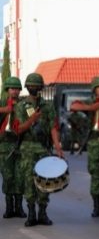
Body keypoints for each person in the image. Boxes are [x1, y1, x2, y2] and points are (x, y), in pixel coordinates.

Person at [14, 73, 63, 227]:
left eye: (36, 86)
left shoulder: (47, 106)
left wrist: (58, 147)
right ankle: (31, 214)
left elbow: (53, 128)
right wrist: (32, 119)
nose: (34, 88)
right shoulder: (21, 106)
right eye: (31, 86)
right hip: (27, 149)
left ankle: (42, 212)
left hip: (43, 149)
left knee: (44, 181)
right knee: (29, 181)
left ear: (41, 87)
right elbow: (18, 129)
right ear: (27, 87)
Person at [69, 76, 99, 217]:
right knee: (96, 175)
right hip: (94, 142)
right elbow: (73, 106)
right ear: (94, 90)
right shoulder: (90, 102)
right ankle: (96, 207)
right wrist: (91, 108)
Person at [0, 77, 25, 219]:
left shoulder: (25, 104)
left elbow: (32, 117)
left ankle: (19, 207)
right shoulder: (2, 102)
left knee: (20, 177)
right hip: (4, 145)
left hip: (20, 144)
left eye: (17, 89)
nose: (15, 91)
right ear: (7, 90)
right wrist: (5, 109)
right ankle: (9, 207)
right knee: (8, 177)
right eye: (12, 89)